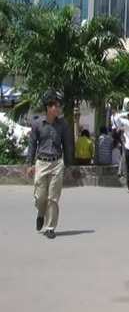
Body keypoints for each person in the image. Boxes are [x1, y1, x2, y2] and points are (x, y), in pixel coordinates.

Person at [25, 92, 73, 239]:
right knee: (40, 197)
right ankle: (41, 214)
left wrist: (68, 166)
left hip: (57, 163)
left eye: (58, 106)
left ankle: (50, 227)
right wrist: (29, 164)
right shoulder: (38, 125)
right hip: (42, 162)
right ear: (48, 107)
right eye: (55, 106)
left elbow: (67, 145)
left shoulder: (62, 125)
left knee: (53, 198)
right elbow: (32, 145)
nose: (58, 108)